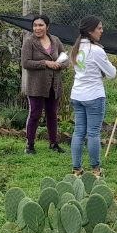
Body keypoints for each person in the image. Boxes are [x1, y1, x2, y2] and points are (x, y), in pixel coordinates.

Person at [68, 15, 117, 177]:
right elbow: (112, 73)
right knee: (93, 133)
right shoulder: (96, 50)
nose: (102, 31)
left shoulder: (76, 49)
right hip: (94, 96)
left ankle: (77, 169)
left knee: (78, 132)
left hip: (77, 95)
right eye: (99, 28)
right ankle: (96, 170)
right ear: (90, 31)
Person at [21, 15, 67, 154]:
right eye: (35, 25)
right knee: (35, 114)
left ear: (47, 26)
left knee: (52, 114)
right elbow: (26, 63)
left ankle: (53, 143)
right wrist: (45, 63)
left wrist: (60, 64)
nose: (37, 28)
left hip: (54, 84)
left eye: (40, 25)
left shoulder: (55, 40)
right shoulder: (29, 42)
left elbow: (65, 58)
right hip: (36, 85)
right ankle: (30, 145)